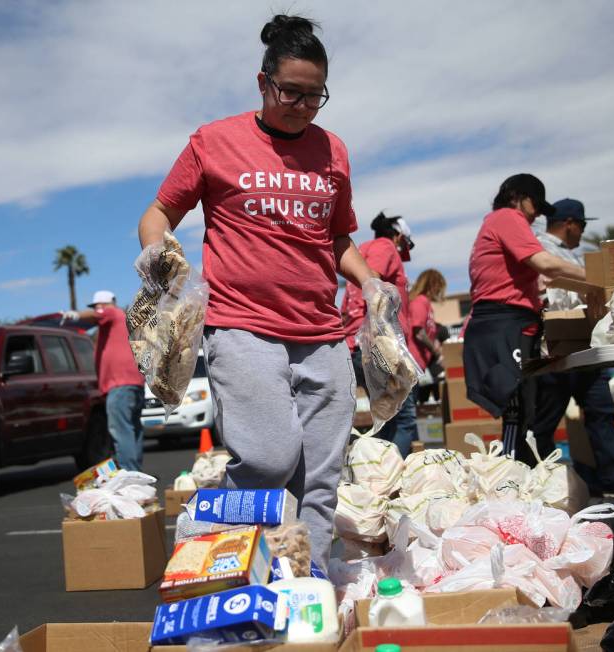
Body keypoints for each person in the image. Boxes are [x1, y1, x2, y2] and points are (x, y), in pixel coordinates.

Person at [133, 15, 378, 571]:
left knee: (320, 478)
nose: (301, 105)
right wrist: (160, 259)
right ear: (263, 82)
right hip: (242, 326)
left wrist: (370, 282)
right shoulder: (214, 141)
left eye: (315, 96)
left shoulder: (333, 151)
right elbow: (159, 213)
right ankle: (209, 539)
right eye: (290, 91)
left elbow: (337, 236)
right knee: (269, 459)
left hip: (322, 333)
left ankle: (304, 584)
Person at [463, 174, 586, 462]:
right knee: (517, 408)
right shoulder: (507, 217)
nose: (538, 215)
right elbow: (545, 263)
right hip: (504, 320)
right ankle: (511, 476)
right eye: (536, 206)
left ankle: (522, 472)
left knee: (528, 407)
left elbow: (541, 275)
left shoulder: (499, 223)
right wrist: (597, 275)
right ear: (518, 196)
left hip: (507, 321)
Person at [532, 198, 614, 495]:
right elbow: (549, 294)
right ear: (570, 223)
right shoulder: (540, 250)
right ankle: (544, 488)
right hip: (555, 346)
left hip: (586, 345)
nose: (583, 232)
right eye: (582, 225)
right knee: (544, 424)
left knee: (600, 412)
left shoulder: (571, 256)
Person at [341, 212, 419, 456]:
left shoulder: (362, 248)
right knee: (403, 418)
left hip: (357, 343)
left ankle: (378, 472)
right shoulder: (384, 247)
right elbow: (372, 279)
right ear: (397, 236)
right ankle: (389, 475)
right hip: (378, 345)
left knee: (384, 416)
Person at [61, 290, 145, 471]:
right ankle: (137, 474)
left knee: (121, 430)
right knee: (132, 429)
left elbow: (96, 314)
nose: (97, 309)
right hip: (133, 382)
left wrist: (75, 315)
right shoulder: (121, 322)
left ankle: (130, 474)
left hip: (120, 384)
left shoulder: (113, 313)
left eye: (99, 305)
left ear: (107, 304)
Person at [407, 269, 447, 402]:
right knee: (410, 407)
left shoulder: (427, 304)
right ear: (433, 284)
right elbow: (418, 332)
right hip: (412, 363)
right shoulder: (420, 302)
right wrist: (436, 351)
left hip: (420, 364)